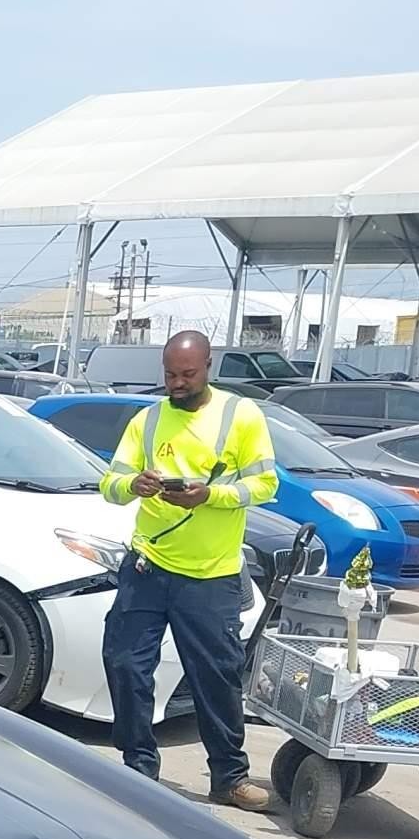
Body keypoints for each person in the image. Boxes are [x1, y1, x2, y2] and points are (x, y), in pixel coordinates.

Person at [95, 330, 277, 810]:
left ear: (208, 366)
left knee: (216, 675)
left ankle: (229, 778)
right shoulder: (147, 419)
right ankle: (139, 768)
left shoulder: (242, 416)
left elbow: (265, 484)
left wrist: (209, 495)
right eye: (170, 374)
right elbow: (109, 484)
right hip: (148, 565)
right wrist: (135, 483)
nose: (177, 383)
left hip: (211, 574)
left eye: (187, 374)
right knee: (125, 662)